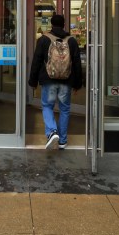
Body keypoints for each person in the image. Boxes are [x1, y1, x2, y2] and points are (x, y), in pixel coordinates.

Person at [29, 14, 82, 150]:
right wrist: (78, 83)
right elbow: (76, 63)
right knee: (64, 109)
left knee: (47, 106)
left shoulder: (44, 40)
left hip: (49, 80)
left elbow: (36, 61)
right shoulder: (72, 41)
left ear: (51, 25)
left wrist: (33, 81)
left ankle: (52, 131)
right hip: (66, 80)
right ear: (64, 24)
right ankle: (62, 141)